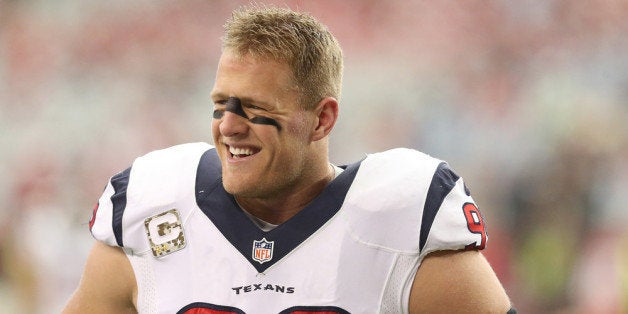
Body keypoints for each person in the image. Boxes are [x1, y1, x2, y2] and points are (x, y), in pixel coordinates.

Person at [64, 5, 514, 314]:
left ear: (321, 119)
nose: (229, 126)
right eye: (221, 103)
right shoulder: (153, 209)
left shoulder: (400, 219)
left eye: (256, 109)